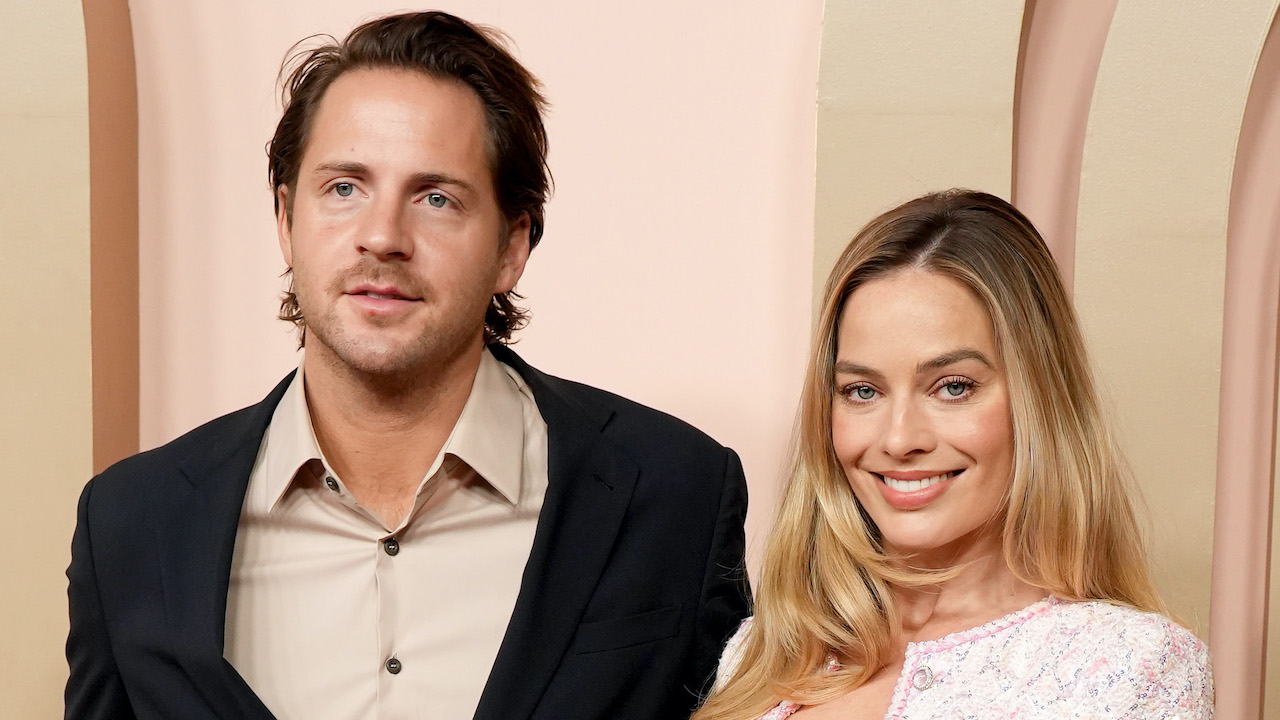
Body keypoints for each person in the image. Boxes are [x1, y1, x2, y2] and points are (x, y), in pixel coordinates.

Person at [65, 11, 749, 720]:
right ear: (284, 218)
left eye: (436, 198)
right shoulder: (129, 526)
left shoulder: (676, 496)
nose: (383, 237)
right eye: (343, 188)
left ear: (512, 247)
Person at [692, 190, 1212, 719]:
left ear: (1038, 400)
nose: (899, 439)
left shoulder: (1132, 666)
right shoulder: (763, 651)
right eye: (862, 391)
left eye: (953, 386)